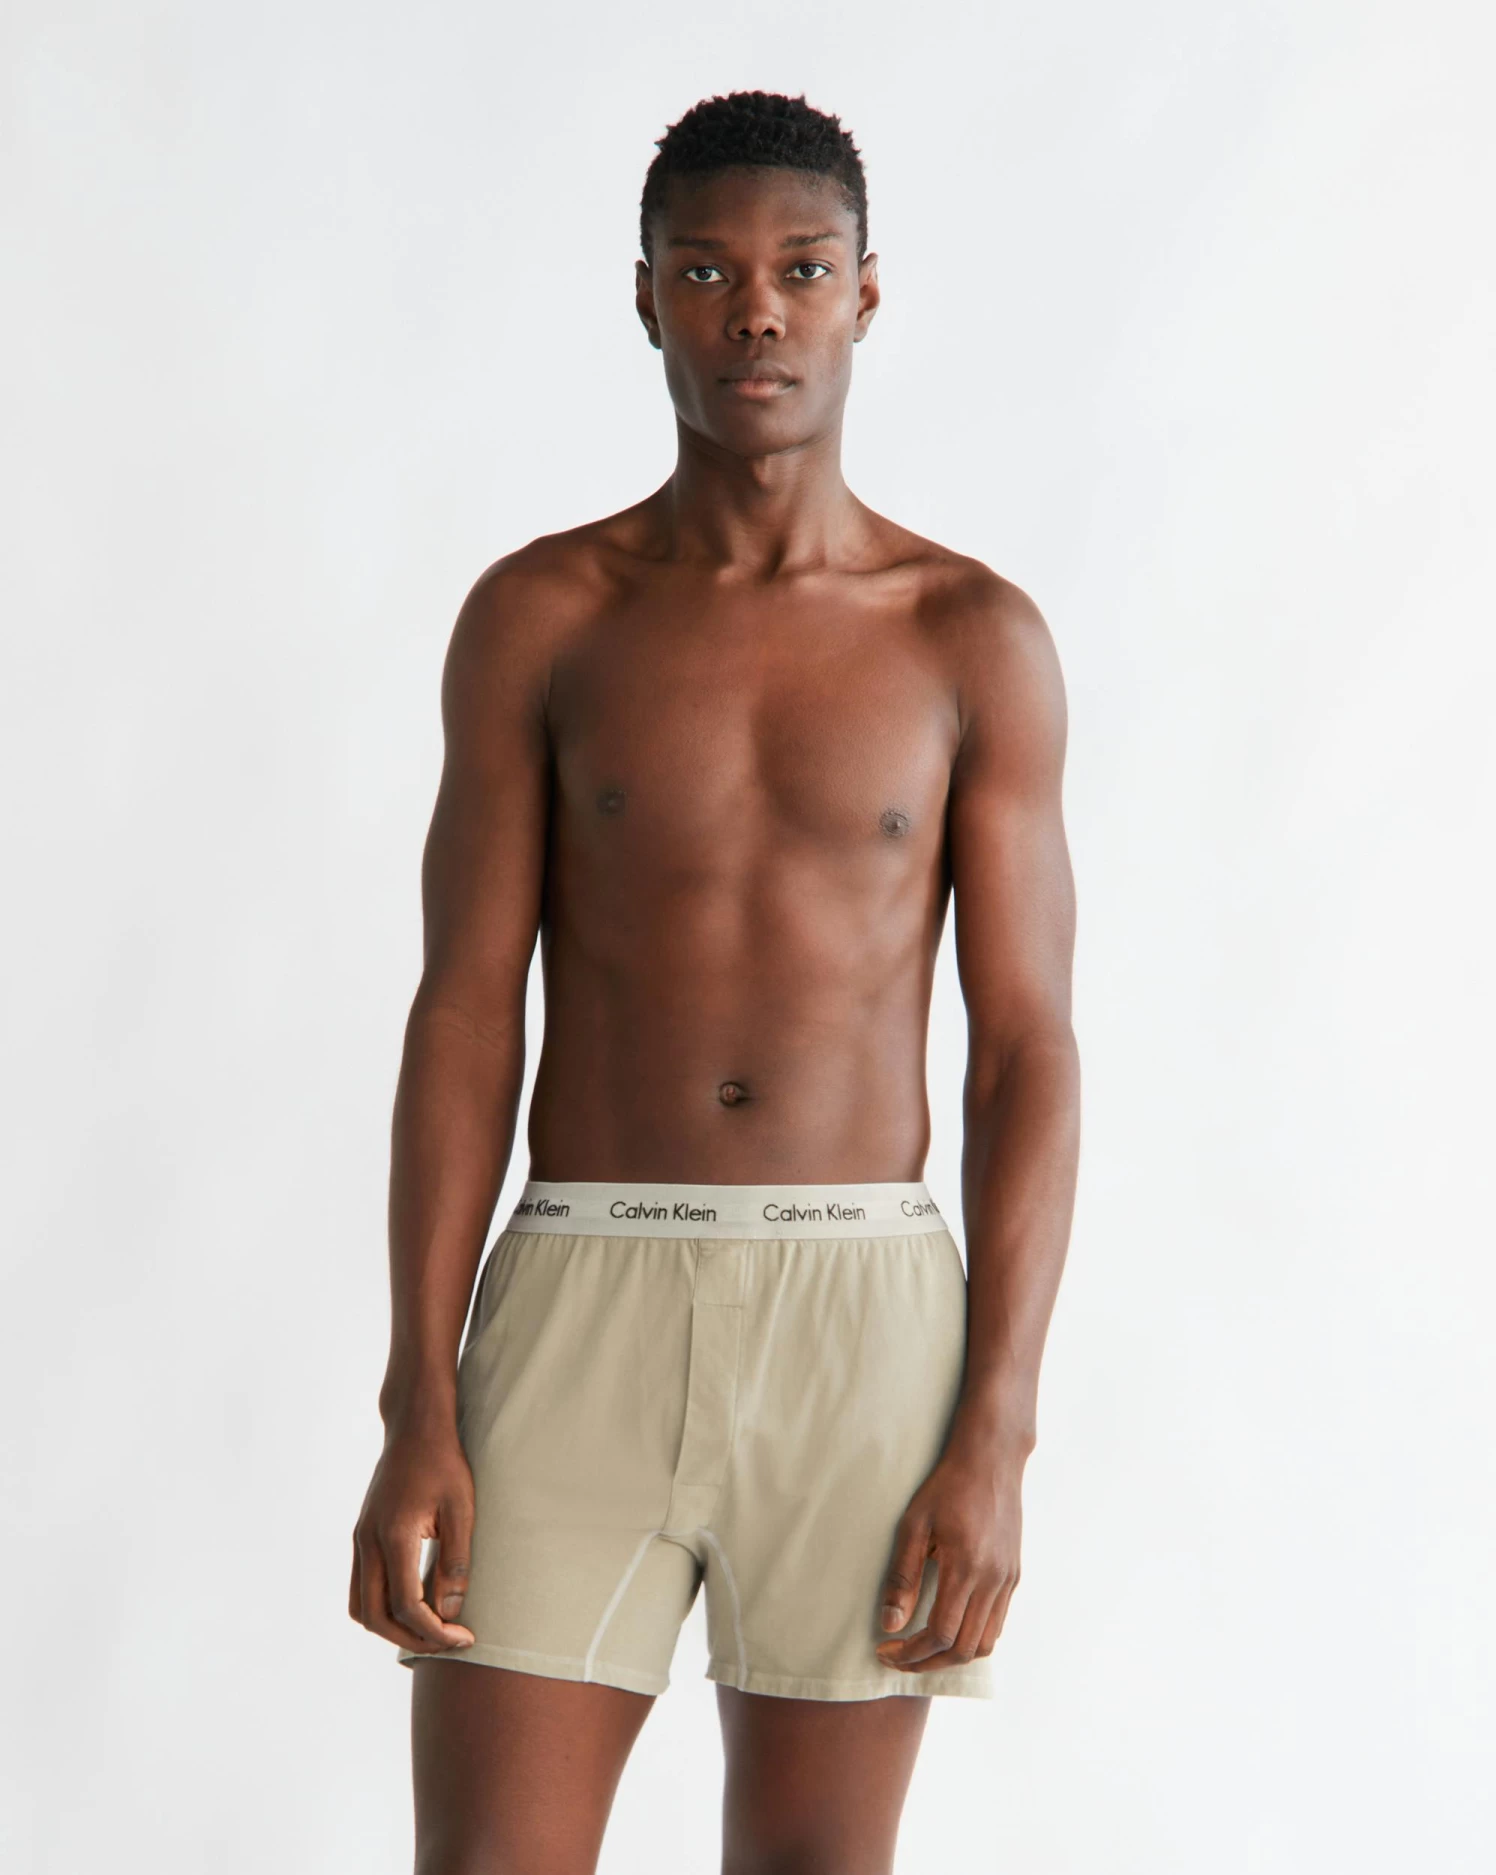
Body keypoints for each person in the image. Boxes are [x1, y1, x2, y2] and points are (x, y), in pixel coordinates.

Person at [349, 89, 1080, 1875]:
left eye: (800, 271)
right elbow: (465, 1009)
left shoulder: (968, 636)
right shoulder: (544, 615)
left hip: (863, 1315)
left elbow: (1025, 1052)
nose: (756, 312)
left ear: (864, 296)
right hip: (581, 1287)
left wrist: (997, 1426)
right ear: (648, 298)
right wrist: (417, 1393)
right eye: (707, 272)